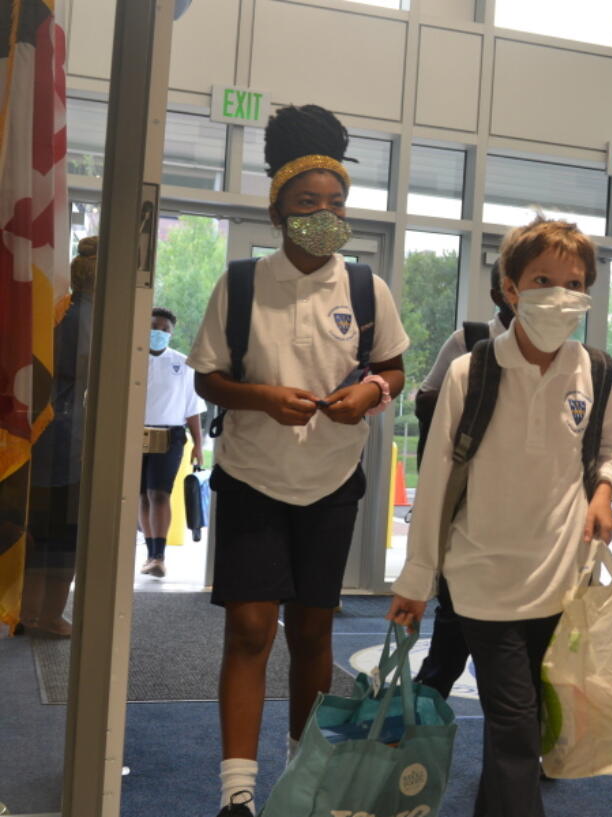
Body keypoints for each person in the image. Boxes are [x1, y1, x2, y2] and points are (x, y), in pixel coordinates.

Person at [188, 104, 409, 817]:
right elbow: (207, 378)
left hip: (333, 481)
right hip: (254, 476)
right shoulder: (243, 284)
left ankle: (302, 775)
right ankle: (238, 792)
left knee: (314, 630)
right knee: (251, 626)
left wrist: (371, 390)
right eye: (308, 202)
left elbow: (394, 367)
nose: (324, 214)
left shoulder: (366, 288)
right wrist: (257, 396)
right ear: (277, 208)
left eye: (336, 203)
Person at [387, 216, 612, 817]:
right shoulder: (474, 370)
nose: (559, 294)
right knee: (517, 728)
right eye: (542, 279)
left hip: (560, 582)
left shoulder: (592, 370)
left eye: (573, 282)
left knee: (520, 724)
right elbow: (437, 484)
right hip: (483, 583)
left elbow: (609, 452)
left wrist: (603, 491)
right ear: (511, 289)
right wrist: (417, 582)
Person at [411, 260, 514, 699]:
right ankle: (408, 733)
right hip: (468, 513)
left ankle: (520, 755)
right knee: (453, 628)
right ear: (500, 294)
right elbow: (427, 406)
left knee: (520, 652)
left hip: (526, 521)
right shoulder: (470, 341)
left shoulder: (570, 357)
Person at [21, 236, 98, 637]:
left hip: (39, 435)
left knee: (35, 531)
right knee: (63, 538)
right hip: (68, 440)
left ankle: (26, 612)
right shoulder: (93, 323)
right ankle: (48, 616)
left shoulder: (60, 313)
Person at [137, 306, 206, 578]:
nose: (159, 333)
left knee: (159, 493)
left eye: (165, 330)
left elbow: (192, 409)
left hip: (170, 437)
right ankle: (149, 553)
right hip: (136, 435)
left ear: (171, 334)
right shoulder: (131, 359)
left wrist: (199, 445)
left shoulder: (183, 364)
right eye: (154, 327)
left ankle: (159, 557)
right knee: (142, 495)